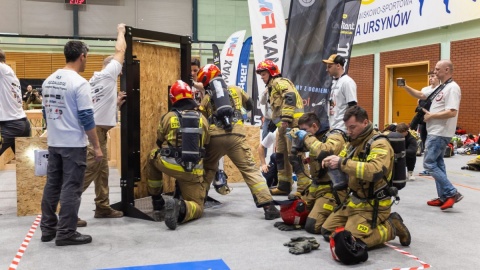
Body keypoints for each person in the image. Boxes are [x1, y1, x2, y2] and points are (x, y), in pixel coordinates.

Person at [321, 106, 411, 252]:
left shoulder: (379, 143)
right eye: (347, 128)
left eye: (352, 127)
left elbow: (375, 170)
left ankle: (392, 227)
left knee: (353, 242)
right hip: (355, 201)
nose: (349, 131)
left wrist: (341, 163)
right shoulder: (353, 142)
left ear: (365, 122)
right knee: (326, 231)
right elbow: (343, 158)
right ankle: (355, 225)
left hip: (374, 204)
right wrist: (332, 160)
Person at [40, 40, 103, 246]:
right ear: (82, 56)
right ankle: (66, 232)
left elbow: (45, 112)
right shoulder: (79, 83)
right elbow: (86, 117)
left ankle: (48, 229)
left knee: (52, 185)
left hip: (55, 141)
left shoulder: (49, 80)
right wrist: (97, 146)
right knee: (71, 188)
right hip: (73, 144)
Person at [197, 64, 280, 220]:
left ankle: (197, 204)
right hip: (236, 135)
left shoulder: (207, 99)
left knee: (208, 171)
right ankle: (269, 207)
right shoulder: (235, 89)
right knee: (250, 170)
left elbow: (201, 119)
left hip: (214, 137)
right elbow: (250, 105)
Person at [78, 23, 126, 226]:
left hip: (98, 129)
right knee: (90, 169)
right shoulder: (108, 74)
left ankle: (102, 206)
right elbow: (120, 50)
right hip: (95, 132)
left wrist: (114, 103)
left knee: (102, 170)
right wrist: (121, 31)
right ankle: (65, 208)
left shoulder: (95, 80)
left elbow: (95, 105)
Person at [146, 80, 210, 230]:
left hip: (169, 164)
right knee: (198, 208)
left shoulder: (168, 117)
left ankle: (157, 200)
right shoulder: (203, 119)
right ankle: (180, 206)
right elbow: (206, 143)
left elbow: (159, 141)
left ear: (173, 99)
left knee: (152, 156)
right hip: (192, 171)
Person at [401, 60, 463, 210]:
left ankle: (451, 192)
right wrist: (405, 86)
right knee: (438, 164)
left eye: (437, 69)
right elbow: (421, 95)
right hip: (434, 131)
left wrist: (432, 116)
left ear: (447, 69)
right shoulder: (441, 87)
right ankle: (444, 197)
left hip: (440, 132)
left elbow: (452, 112)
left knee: (428, 163)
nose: (434, 72)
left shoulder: (452, 88)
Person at [287, 112, 348, 234]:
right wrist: (295, 141)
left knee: (312, 226)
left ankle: (346, 216)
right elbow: (307, 147)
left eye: (305, 130)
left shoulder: (335, 137)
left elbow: (324, 151)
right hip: (316, 186)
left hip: (331, 189)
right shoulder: (316, 137)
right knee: (294, 215)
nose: (304, 133)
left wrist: (305, 137)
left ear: (314, 126)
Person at [255, 59, 307, 195]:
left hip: (292, 125)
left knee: (295, 156)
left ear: (272, 73)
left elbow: (290, 97)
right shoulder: (272, 87)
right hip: (283, 128)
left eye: (263, 74)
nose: (261, 77)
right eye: (260, 74)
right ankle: (284, 186)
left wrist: (286, 118)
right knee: (280, 156)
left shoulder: (280, 82)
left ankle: (304, 188)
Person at [0, 48, 31, 156]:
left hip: (11, 125)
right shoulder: (9, 75)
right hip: (20, 123)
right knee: (26, 167)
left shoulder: (3, 70)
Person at [322, 54, 357, 131]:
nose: (327, 70)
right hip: (333, 127)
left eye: (329, 67)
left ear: (338, 66)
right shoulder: (334, 82)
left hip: (342, 129)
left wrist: (348, 128)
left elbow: (353, 107)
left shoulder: (347, 82)